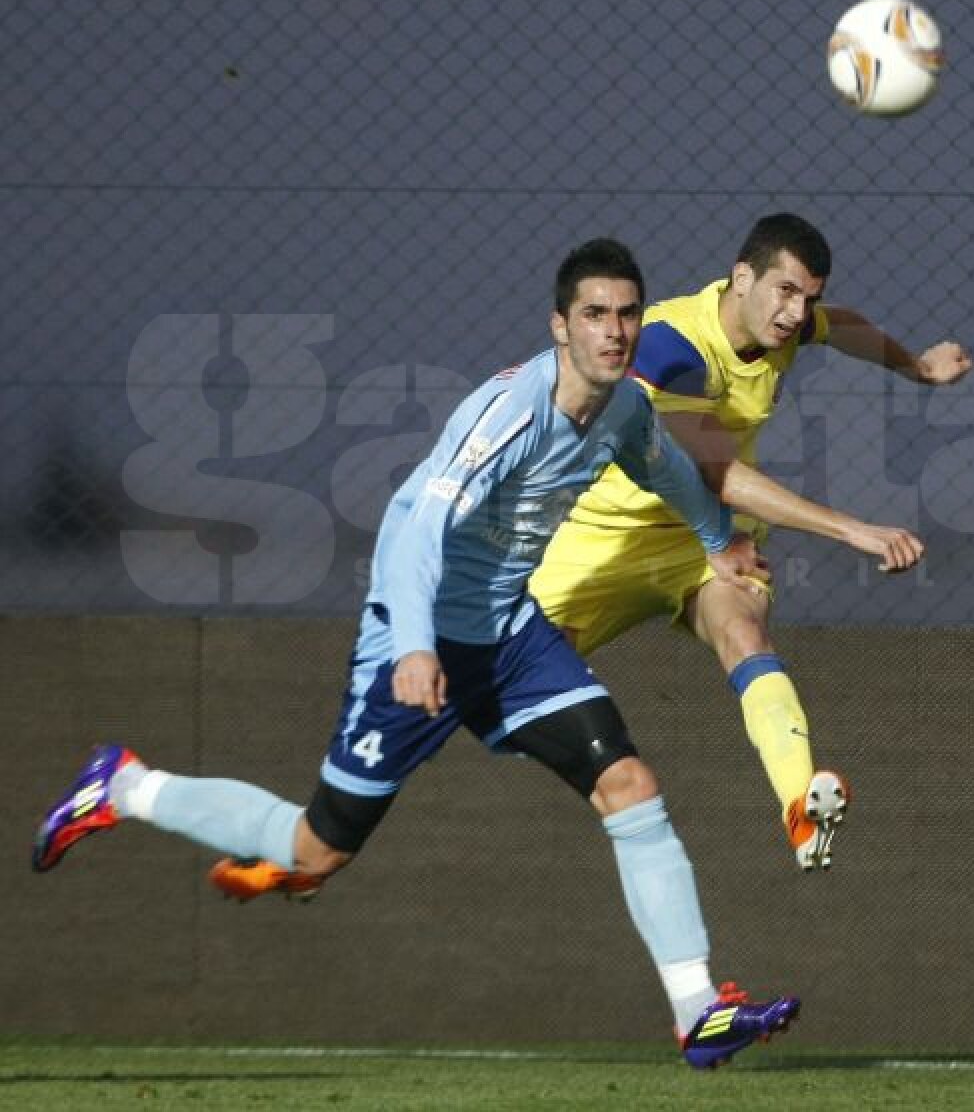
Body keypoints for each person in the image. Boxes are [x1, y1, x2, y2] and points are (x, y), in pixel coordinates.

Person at [32, 238, 799, 1070]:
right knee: (315, 847)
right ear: (560, 327)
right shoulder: (507, 414)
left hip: (510, 637)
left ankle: (697, 1012)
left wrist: (719, 542)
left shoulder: (624, 412)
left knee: (628, 783)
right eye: (594, 315)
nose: (613, 331)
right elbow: (415, 534)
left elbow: (670, 475)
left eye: (625, 314)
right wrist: (411, 646)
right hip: (419, 637)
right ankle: (124, 785)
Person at [529, 213, 973, 870]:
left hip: (711, 543)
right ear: (742, 277)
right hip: (608, 538)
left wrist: (917, 368)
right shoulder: (670, 345)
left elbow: (843, 326)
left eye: (808, 297)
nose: (797, 313)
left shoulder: (783, 327)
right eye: (786, 292)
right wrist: (853, 528)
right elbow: (718, 471)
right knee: (503, 671)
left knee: (745, 634)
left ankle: (800, 807)